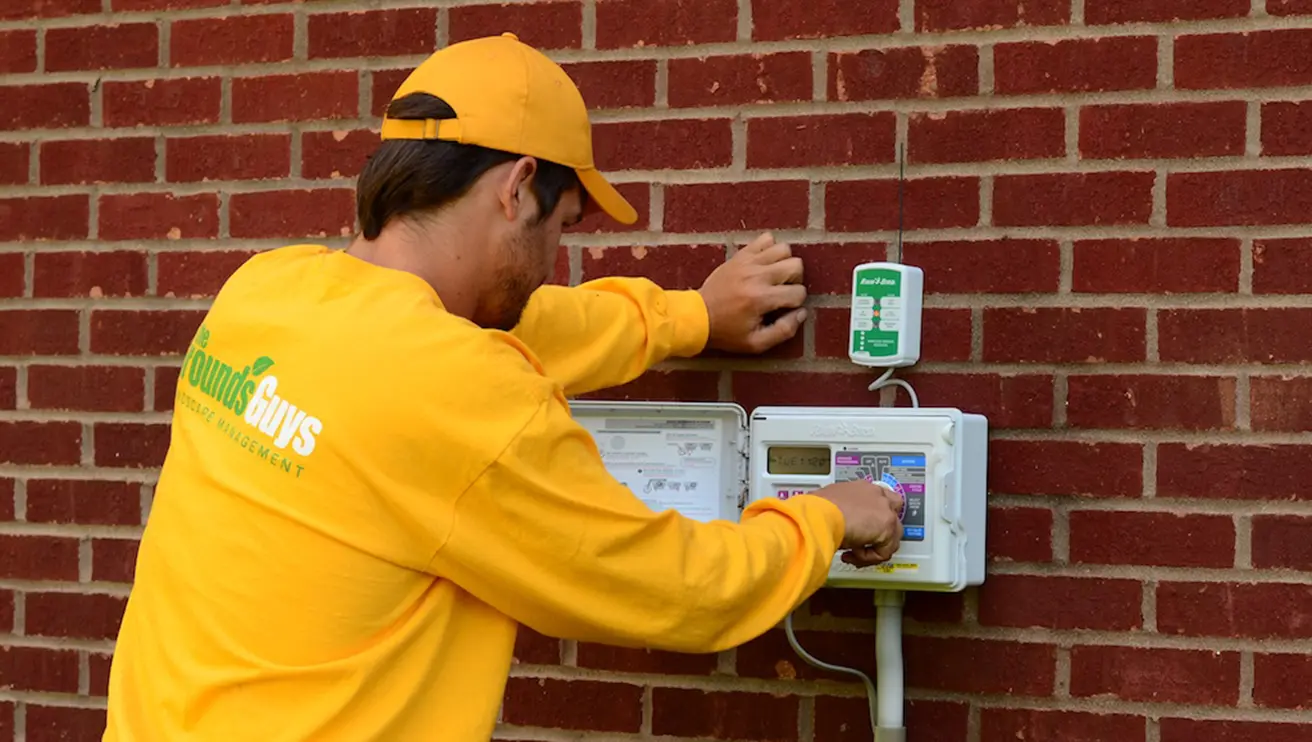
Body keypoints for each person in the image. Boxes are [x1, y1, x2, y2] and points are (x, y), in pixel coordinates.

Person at [102, 33, 905, 742]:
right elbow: (680, 588)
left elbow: (517, 328)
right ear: (517, 186)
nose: (558, 253)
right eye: (562, 228)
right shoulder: (463, 394)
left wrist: (692, 317)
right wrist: (829, 516)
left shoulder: (264, 293)